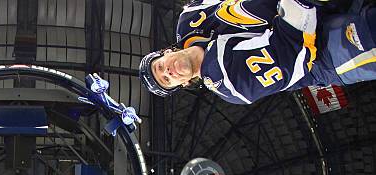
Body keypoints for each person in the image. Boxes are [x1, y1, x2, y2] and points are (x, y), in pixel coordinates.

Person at [139, 0, 376, 104]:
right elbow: (290, 49)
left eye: (160, 67)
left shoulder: (190, 18)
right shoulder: (227, 83)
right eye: (168, 80)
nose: (168, 72)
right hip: (329, 50)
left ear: (166, 52)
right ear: (182, 84)